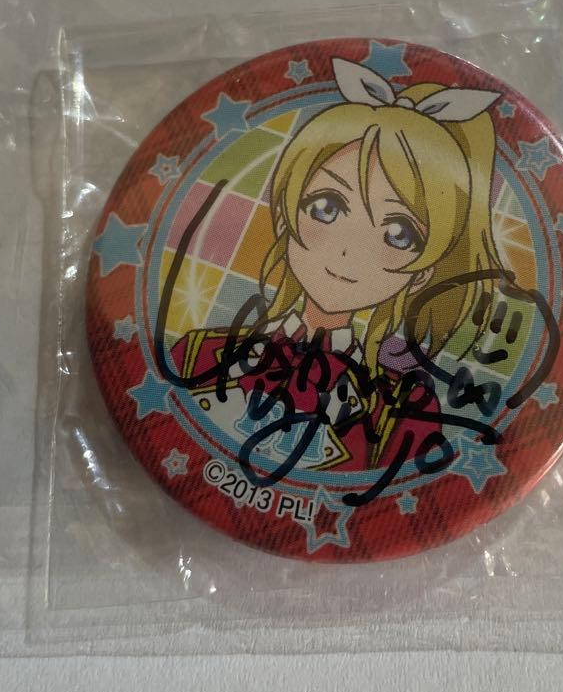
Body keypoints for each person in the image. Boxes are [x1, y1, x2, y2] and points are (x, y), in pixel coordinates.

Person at [167, 56, 503, 475]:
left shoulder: (404, 413)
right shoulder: (199, 355)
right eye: (325, 207)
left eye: (398, 233)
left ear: (422, 272)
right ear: (286, 215)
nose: (347, 251)